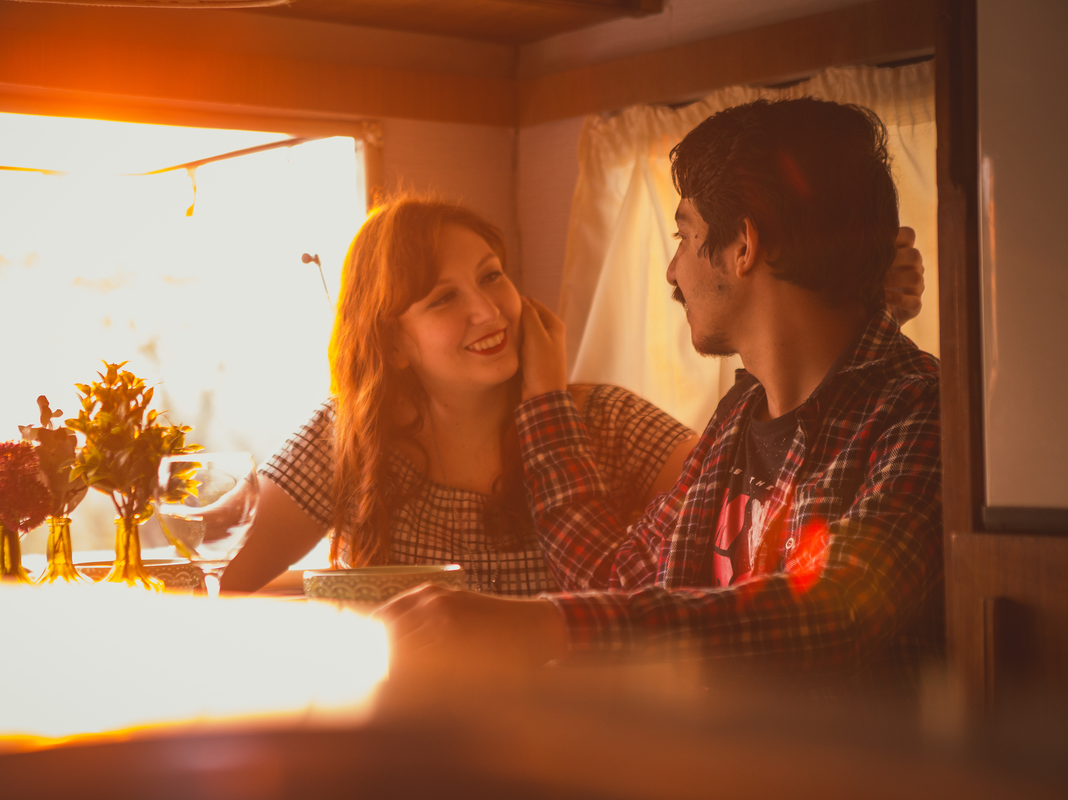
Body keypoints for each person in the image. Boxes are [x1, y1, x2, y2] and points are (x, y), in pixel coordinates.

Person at [377, 98, 943, 694]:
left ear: (744, 246)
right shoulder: (738, 421)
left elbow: (834, 613)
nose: (673, 271)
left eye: (685, 235)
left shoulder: (918, 413)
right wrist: (544, 405)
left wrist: (547, 625)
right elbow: (616, 578)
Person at [223, 190, 926, 599]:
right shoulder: (348, 434)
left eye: (492, 275)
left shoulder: (602, 419)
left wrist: (841, 309)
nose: (489, 311)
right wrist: (334, 600)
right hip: (405, 743)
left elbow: (750, 527)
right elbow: (233, 591)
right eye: (444, 299)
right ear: (394, 341)